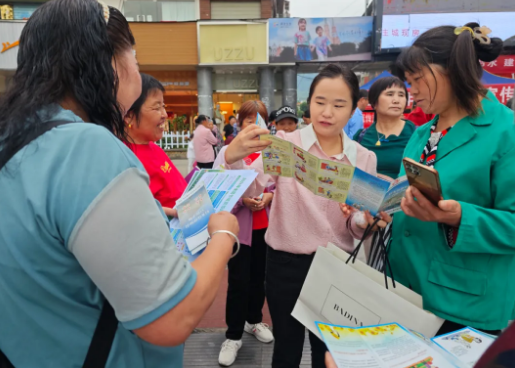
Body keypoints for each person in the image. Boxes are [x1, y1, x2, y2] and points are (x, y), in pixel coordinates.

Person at [0, 0, 240, 368]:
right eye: (135, 61)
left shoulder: (14, 140)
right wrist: (224, 237)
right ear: (107, 62)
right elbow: (171, 319)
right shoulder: (86, 147)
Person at [220, 64, 389, 368]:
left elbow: (354, 225)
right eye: (320, 102)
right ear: (308, 102)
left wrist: (365, 220)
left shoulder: (363, 158)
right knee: (286, 348)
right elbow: (254, 183)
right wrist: (232, 157)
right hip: (285, 264)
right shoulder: (286, 144)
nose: (327, 112)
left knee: (328, 352)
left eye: (339, 105)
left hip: (335, 267)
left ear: (353, 109)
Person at [389, 22, 514, 336]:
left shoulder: (505, 132)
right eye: (408, 81)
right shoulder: (421, 133)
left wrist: (461, 217)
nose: (411, 91)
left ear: (453, 70)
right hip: (405, 291)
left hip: (464, 305)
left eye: (417, 79)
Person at [213, 101, 274, 366]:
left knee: (259, 278)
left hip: (265, 227)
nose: (254, 124)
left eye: (259, 119)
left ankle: (254, 321)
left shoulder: (271, 151)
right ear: (239, 123)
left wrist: (268, 196)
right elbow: (217, 186)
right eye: (248, 119)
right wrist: (243, 201)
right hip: (239, 230)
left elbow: (279, 183)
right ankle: (233, 335)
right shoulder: (228, 151)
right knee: (238, 280)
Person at [124, 73, 187, 218]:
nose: (164, 114)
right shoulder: (126, 158)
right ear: (129, 115)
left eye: (163, 106)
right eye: (156, 108)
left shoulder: (154, 147)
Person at [354, 76, 416, 179]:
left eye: (401, 95)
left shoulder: (417, 135)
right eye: (390, 94)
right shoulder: (361, 137)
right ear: (374, 101)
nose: (396, 100)